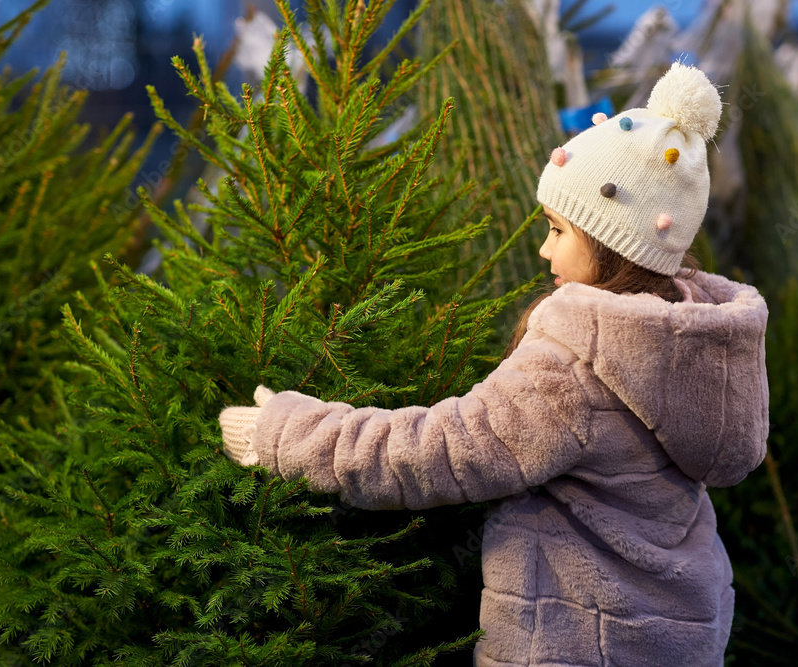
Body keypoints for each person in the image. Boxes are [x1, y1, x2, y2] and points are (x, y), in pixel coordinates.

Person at [218, 62, 769, 667]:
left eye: (558, 230)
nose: (543, 249)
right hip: (681, 642)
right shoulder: (695, 345)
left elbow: (439, 450)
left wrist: (286, 434)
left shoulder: (578, 369)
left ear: (611, 244)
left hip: (575, 650)